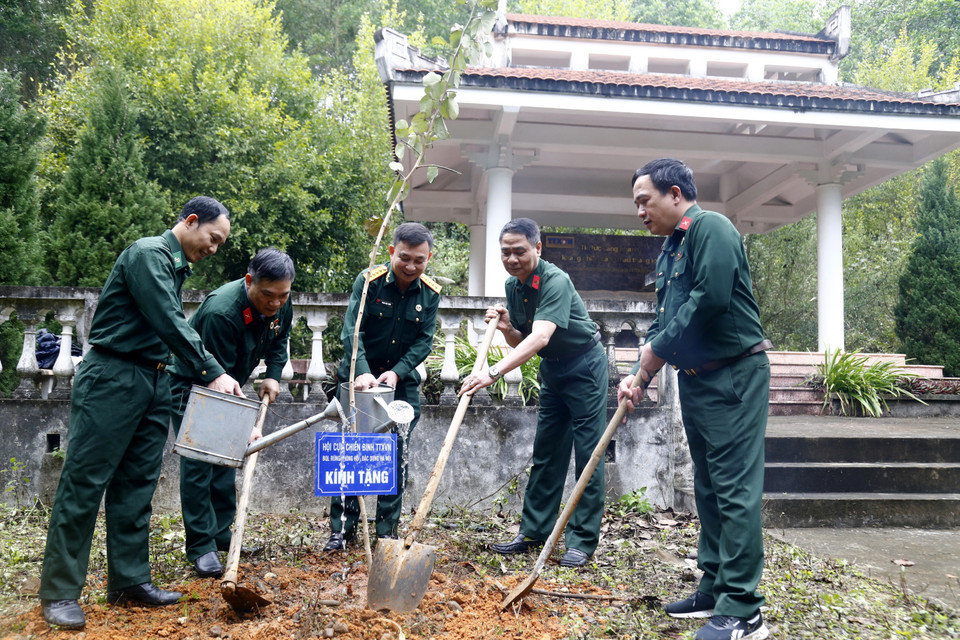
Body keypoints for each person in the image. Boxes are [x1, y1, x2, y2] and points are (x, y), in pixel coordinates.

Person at [38, 196, 244, 630]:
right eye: (213, 238)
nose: (214, 249)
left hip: (155, 379)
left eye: (220, 244)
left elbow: (166, 327)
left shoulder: (176, 267)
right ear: (190, 222)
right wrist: (211, 370)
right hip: (113, 376)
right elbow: (168, 318)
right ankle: (59, 591)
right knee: (85, 481)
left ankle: (129, 580)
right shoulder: (149, 253)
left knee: (137, 484)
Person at [618, 158, 771, 640]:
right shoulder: (671, 249)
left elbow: (708, 302)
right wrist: (640, 374)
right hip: (700, 379)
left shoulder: (713, 229)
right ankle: (715, 586)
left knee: (733, 490)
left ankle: (745, 610)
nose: (640, 211)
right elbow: (668, 320)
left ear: (676, 194)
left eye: (646, 200)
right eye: (636, 203)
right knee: (706, 485)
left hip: (735, 376)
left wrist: (651, 357)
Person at [459, 217, 608, 568]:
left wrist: (492, 372)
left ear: (537, 248)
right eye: (506, 252)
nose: (512, 259)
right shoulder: (514, 286)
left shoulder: (556, 280)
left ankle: (581, 542)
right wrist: (509, 327)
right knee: (547, 452)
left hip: (584, 366)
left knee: (588, 453)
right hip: (553, 369)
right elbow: (524, 339)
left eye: (520, 251)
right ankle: (533, 532)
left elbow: (541, 336)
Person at [167, 248, 295, 578]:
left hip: (229, 382)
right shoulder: (221, 312)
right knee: (201, 460)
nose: (276, 303)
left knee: (225, 459)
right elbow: (213, 378)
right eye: (268, 295)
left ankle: (222, 535)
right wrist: (243, 425)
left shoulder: (281, 297)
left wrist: (273, 373)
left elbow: (279, 338)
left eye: (283, 296)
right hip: (194, 382)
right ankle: (201, 546)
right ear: (250, 281)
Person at [322, 222, 441, 551]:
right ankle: (341, 530)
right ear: (392, 252)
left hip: (400, 385)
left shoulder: (430, 293)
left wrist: (398, 372)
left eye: (419, 260)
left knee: (397, 454)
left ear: (428, 258)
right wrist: (361, 370)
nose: (411, 266)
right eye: (404, 258)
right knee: (351, 452)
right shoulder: (369, 281)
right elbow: (351, 331)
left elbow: (423, 342)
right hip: (358, 381)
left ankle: (386, 532)